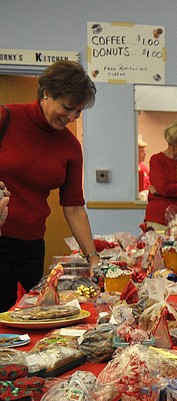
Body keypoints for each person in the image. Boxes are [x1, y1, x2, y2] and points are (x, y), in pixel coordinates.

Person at [0, 60, 102, 313]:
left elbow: (74, 207)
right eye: (67, 108)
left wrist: (93, 257)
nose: (71, 117)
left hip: (32, 246)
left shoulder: (70, 146)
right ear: (47, 93)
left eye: (78, 112)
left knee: (27, 319)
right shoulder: (6, 118)